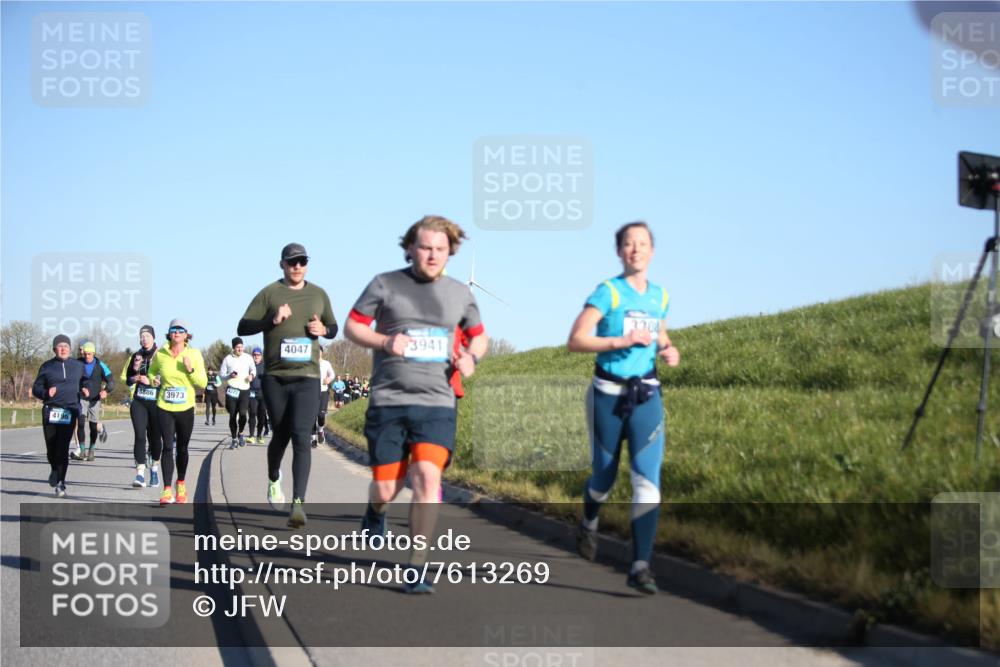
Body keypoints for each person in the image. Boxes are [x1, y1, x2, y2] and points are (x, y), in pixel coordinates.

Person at [346, 215, 487, 593]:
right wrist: (383, 342)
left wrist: (471, 357)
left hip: (437, 402)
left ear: (451, 252)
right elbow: (353, 326)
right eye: (425, 247)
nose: (432, 255)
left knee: (428, 477)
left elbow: (479, 337)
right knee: (386, 488)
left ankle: (417, 567)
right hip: (389, 400)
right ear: (410, 247)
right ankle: (375, 512)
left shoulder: (460, 293)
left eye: (440, 249)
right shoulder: (385, 284)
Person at [566, 221, 680, 595]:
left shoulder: (660, 296)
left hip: (646, 395)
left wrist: (667, 348)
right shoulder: (608, 293)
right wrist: (621, 340)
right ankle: (589, 519)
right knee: (604, 477)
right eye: (629, 244)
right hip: (607, 395)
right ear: (619, 251)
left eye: (643, 243)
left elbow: (659, 331)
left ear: (652, 251)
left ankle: (640, 564)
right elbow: (577, 340)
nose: (636, 249)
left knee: (647, 480)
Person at [237, 242, 338, 528]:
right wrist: (272, 319)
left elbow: (333, 327)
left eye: (302, 262)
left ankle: (298, 504)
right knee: (280, 434)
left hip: (307, 377)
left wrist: (324, 331)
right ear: (282, 264)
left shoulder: (319, 294)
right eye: (292, 262)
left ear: (307, 264)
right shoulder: (270, 293)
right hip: (276, 377)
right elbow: (242, 327)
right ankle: (273, 477)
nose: (297, 266)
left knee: (301, 435)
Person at [149, 318, 208, 505]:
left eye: (180, 330)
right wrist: (153, 380)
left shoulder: (194, 354)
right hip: (164, 406)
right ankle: (167, 490)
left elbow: (203, 382)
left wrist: (190, 369)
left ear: (186, 334)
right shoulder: (161, 354)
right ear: (169, 333)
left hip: (185, 407)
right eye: (173, 329)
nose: (176, 332)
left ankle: (180, 483)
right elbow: (152, 372)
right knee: (167, 446)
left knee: (182, 447)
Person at [32, 335, 87, 497]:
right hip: (51, 410)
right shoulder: (47, 366)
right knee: (51, 448)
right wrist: (45, 392)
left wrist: (86, 389)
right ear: (54, 349)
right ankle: (54, 469)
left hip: (69, 411)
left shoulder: (78, 366)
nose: (63, 349)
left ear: (70, 349)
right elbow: (36, 388)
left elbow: (85, 381)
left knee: (63, 448)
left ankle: (61, 483)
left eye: (66, 346)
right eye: (60, 346)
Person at [124, 325, 162, 488]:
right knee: (140, 435)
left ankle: (154, 468)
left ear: (153, 337)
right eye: (141, 336)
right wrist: (136, 378)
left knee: (154, 438)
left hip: (156, 401)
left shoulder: (161, 355)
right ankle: (140, 473)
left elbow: (168, 378)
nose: (144, 338)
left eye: (147, 335)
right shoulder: (136, 355)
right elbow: (127, 378)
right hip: (139, 400)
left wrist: (152, 382)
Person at [74, 341, 115, 461]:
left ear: (94, 353)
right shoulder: (77, 364)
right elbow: (72, 380)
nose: (87, 356)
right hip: (81, 398)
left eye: (89, 354)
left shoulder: (101, 365)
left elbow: (111, 381)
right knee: (80, 423)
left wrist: (106, 391)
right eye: (85, 354)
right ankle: (82, 450)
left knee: (93, 427)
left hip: (95, 400)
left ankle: (91, 449)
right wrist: (81, 388)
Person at [219, 337, 255, 448]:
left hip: (244, 389)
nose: (240, 349)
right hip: (232, 390)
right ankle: (234, 439)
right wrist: (229, 375)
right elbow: (221, 375)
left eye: (241, 347)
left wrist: (251, 375)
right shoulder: (227, 359)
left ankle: (241, 433)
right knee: (233, 415)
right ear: (233, 348)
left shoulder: (248, 358)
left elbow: (253, 369)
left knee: (243, 414)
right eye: (237, 347)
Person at [314, 349, 335, 447]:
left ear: (322, 352)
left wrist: (329, 379)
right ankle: (313, 439)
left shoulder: (326, 363)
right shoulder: (310, 363)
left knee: (321, 416)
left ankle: (320, 430)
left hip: (323, 391)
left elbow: (332, 374)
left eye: (319, 351)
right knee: (312, 416)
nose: (317, 353)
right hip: (311, 392)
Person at [248, 347, 268, 443]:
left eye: (258, 355)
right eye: (254, 355)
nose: (256, 356)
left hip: (263, 394)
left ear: (261, 356)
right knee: (252, 413)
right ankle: (251, 435)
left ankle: (259, 435)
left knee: (262, 416)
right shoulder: (249, 366)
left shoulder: (265, 366)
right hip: (251, 393)